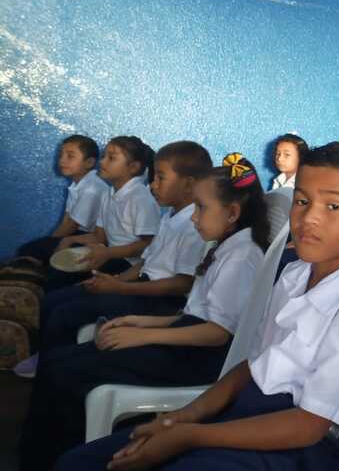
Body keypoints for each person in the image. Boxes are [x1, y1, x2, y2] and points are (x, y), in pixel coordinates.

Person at [24, 142, 339, 471]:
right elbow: (252, 366)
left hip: (296, 457)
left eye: (333, 206)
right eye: (302, 200)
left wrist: (189, 437)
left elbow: (308, 426)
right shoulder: (296, 273)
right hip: (243, 418)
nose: (309, 217)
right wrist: (179, 419)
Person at [11, 158, 269, 471]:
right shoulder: (225, 246)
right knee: (60, 362)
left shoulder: (243, 256)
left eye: (201, 208)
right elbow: (192, 314)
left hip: (199, 361)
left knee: (71, 375)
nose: (194, 217)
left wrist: (144, 337)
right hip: (186, 340)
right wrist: (139, 322)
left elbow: (216, 333)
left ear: (232, 213)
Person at [12, 141, 212, 379]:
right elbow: (146, 263)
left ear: (188, 184)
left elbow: (181, 284)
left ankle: (50, 363)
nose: (152, 184)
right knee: (56, 298)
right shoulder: (170, 216)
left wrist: (120, 287)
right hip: (139, 284)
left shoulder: (193, 225)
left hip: (160, 300)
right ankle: (48, 357)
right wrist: (113, 281)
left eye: (160, 178)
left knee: (63, 312)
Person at [46, 136, 161, 290]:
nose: (102, 162)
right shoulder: (108, 194)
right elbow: (99, 237)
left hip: (130, 265)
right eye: (103, 156)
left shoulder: (141, 198)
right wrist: (68, 240)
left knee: (61, 285)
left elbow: (147, 246)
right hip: (109, 255)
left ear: (133, 167)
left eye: (111, 158)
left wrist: (107, 253)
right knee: (56, 271)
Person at [16, 135, 107, 264]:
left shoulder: (91, 188)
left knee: (31, 251)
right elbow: (67, 219)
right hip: (79, 234)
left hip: (93, 240)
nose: (62, 161)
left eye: (70, 156)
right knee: (31, 251)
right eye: (61, 155)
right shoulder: (77, 184)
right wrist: (49, 243)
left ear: (89, 163)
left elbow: (71, 226)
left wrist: (49, 244)